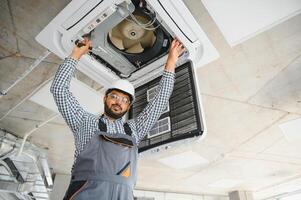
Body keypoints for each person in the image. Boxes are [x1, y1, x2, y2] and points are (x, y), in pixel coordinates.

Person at [50, 38, 185, 200]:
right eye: (114, 96)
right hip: (86, 194)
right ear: (105, 99)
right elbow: (58, 89)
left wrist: (171, 62)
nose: (118, 102)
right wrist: (76, 54)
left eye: (124, 100)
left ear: (128, 107)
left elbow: (160, 102)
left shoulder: (135, 129)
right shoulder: (83, 121)